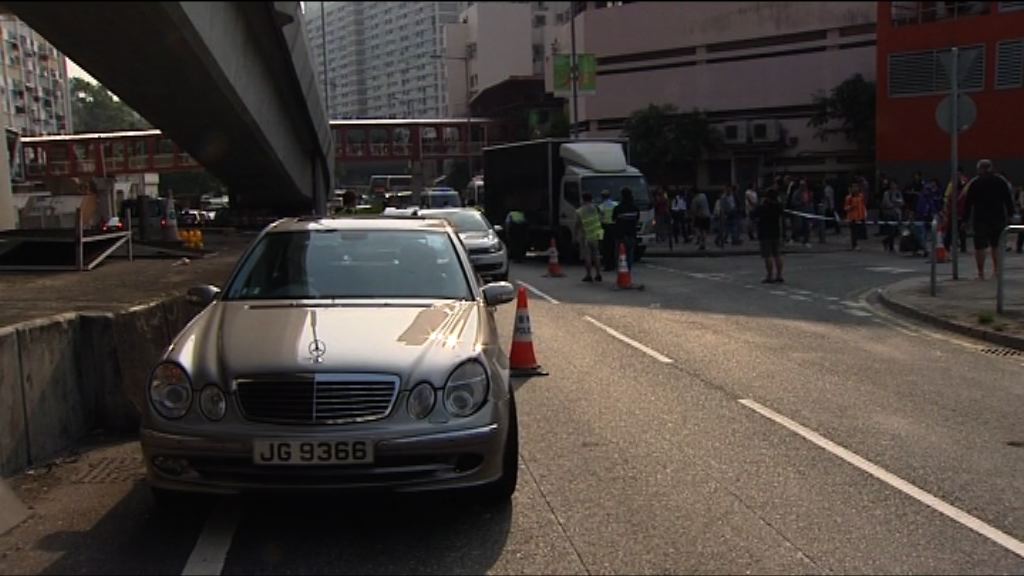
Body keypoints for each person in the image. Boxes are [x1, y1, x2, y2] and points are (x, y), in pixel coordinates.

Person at [962, 159, 1016, 280]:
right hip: (998, 217)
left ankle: (981, 273)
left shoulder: (975, 183)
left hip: (980, 218)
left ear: (979, 169)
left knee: (980, 247)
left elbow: (968, 202)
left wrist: (965, 220)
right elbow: (1008, 199)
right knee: (996, 245)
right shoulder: (1000, 181)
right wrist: (1011, 215)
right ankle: (996, 271)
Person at [754, 185, 784, 283]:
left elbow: (753, 214)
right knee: (777, 254)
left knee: (767, 255)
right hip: (776, 231)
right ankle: (779, 275)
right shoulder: (778, 206)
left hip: (765, 232)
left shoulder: (763, 206)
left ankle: (770, 275)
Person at [575, 191, 604, 282]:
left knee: (587, 256)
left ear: (583, 199)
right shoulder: (596, 207)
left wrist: (576, 235)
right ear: (591, 199)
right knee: (596, 255)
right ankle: (598, 274)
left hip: (586, 236)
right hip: (597, 234)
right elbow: (602, 216)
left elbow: (578, 224)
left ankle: (588, 275)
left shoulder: (579, 211)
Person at [612, 187, 641, 270]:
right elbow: (637, 219)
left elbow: (613, 219)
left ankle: (620, 271)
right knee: (630, 254)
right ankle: (628, 270)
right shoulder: (635, 208)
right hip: (631, 234)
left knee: (619, 254)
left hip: (620, 235)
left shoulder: (618, 208)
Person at [913, 179, 940, 258]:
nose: (928, 192)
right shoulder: (921, 198)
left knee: (925, 235)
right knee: (921, 234)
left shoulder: (930, 198)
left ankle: (924, 249)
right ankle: (924, 249)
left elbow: (933, 208)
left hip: (927, 219)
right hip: (920, 218)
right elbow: (919, 209)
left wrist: (935, 214)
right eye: (927, 190)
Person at [881, 179, 904, 253]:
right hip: (889, 213)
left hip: (897, 213)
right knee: (891, 230)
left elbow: (902, 202)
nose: (893, 186)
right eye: (892, 184)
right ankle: (891, 247)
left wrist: (896, 203)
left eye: (895, 184)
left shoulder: (898, 193)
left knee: (896, 231)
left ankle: (886, 241)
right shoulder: (887, 193)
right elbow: (887, 203)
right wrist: (895, 204)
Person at [844, 179, 867, 251]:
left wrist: (864, 215)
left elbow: (863, 206)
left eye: (856, 187)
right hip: (852, 217)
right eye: (853, 187)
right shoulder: (849, 198)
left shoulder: (861, 196)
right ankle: (854, 245)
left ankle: (856, 244)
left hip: (860, 216)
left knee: (859, 232)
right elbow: (845, 208)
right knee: (854, 232)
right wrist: (851, 207)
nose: (855, 188)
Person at [599, 189, 619, 271]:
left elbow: (600, 218)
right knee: (613, 246)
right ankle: (614, 264)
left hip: (605, 227)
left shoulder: (601, 206)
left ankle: (607, 265)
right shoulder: (615, 204)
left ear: (602, 197)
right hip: (614, 226)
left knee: (606, 247)